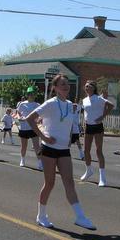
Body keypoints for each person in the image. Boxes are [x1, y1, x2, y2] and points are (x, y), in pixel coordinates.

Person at [25, 74, 95, 230]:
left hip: (64, 150)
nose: (66, 86)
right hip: (49, 149)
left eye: (67, 84)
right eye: (62, 84)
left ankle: (80, 217)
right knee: (49, 183)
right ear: (55, 87)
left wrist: (69, 139)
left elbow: (69, 125)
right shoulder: (50, 103)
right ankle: (41, 215)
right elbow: (31, 119)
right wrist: (43, 136)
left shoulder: (71, 105)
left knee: (69, 183)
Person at [80, 80, 113, 187]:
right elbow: (85, 112)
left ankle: (102, 178)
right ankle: (88, 170)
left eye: (88, 86)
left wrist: (102, 117)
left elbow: (111, 105)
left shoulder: (98, 98)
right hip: (88, 127)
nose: (86, 88)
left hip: (98, 127)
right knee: (86, 151)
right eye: (85, 86)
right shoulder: (84, 100)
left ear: (93, 88)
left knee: (99, 151)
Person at [15, 88, 43, 170]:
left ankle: (40, 163)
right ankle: (22, 160)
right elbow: (18, 113)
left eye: (33, 94)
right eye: (30, 94)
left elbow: (40, 115)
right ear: (27, 95)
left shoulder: (37, 105)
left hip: (33, 128)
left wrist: (38, 119)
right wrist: (20, 118)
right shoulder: (22, 104)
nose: (31, 95)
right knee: (24, 146)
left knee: (36, 146)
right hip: (24, 127)